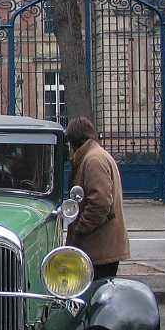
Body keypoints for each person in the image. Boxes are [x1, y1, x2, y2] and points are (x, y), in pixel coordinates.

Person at [65, 117, 129, 279]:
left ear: (73, 141)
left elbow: (100, 203)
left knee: (92, 294)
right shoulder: (96, 155)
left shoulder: (93, 160)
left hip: (99, 247)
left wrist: (80, 228)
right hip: (101, 245)